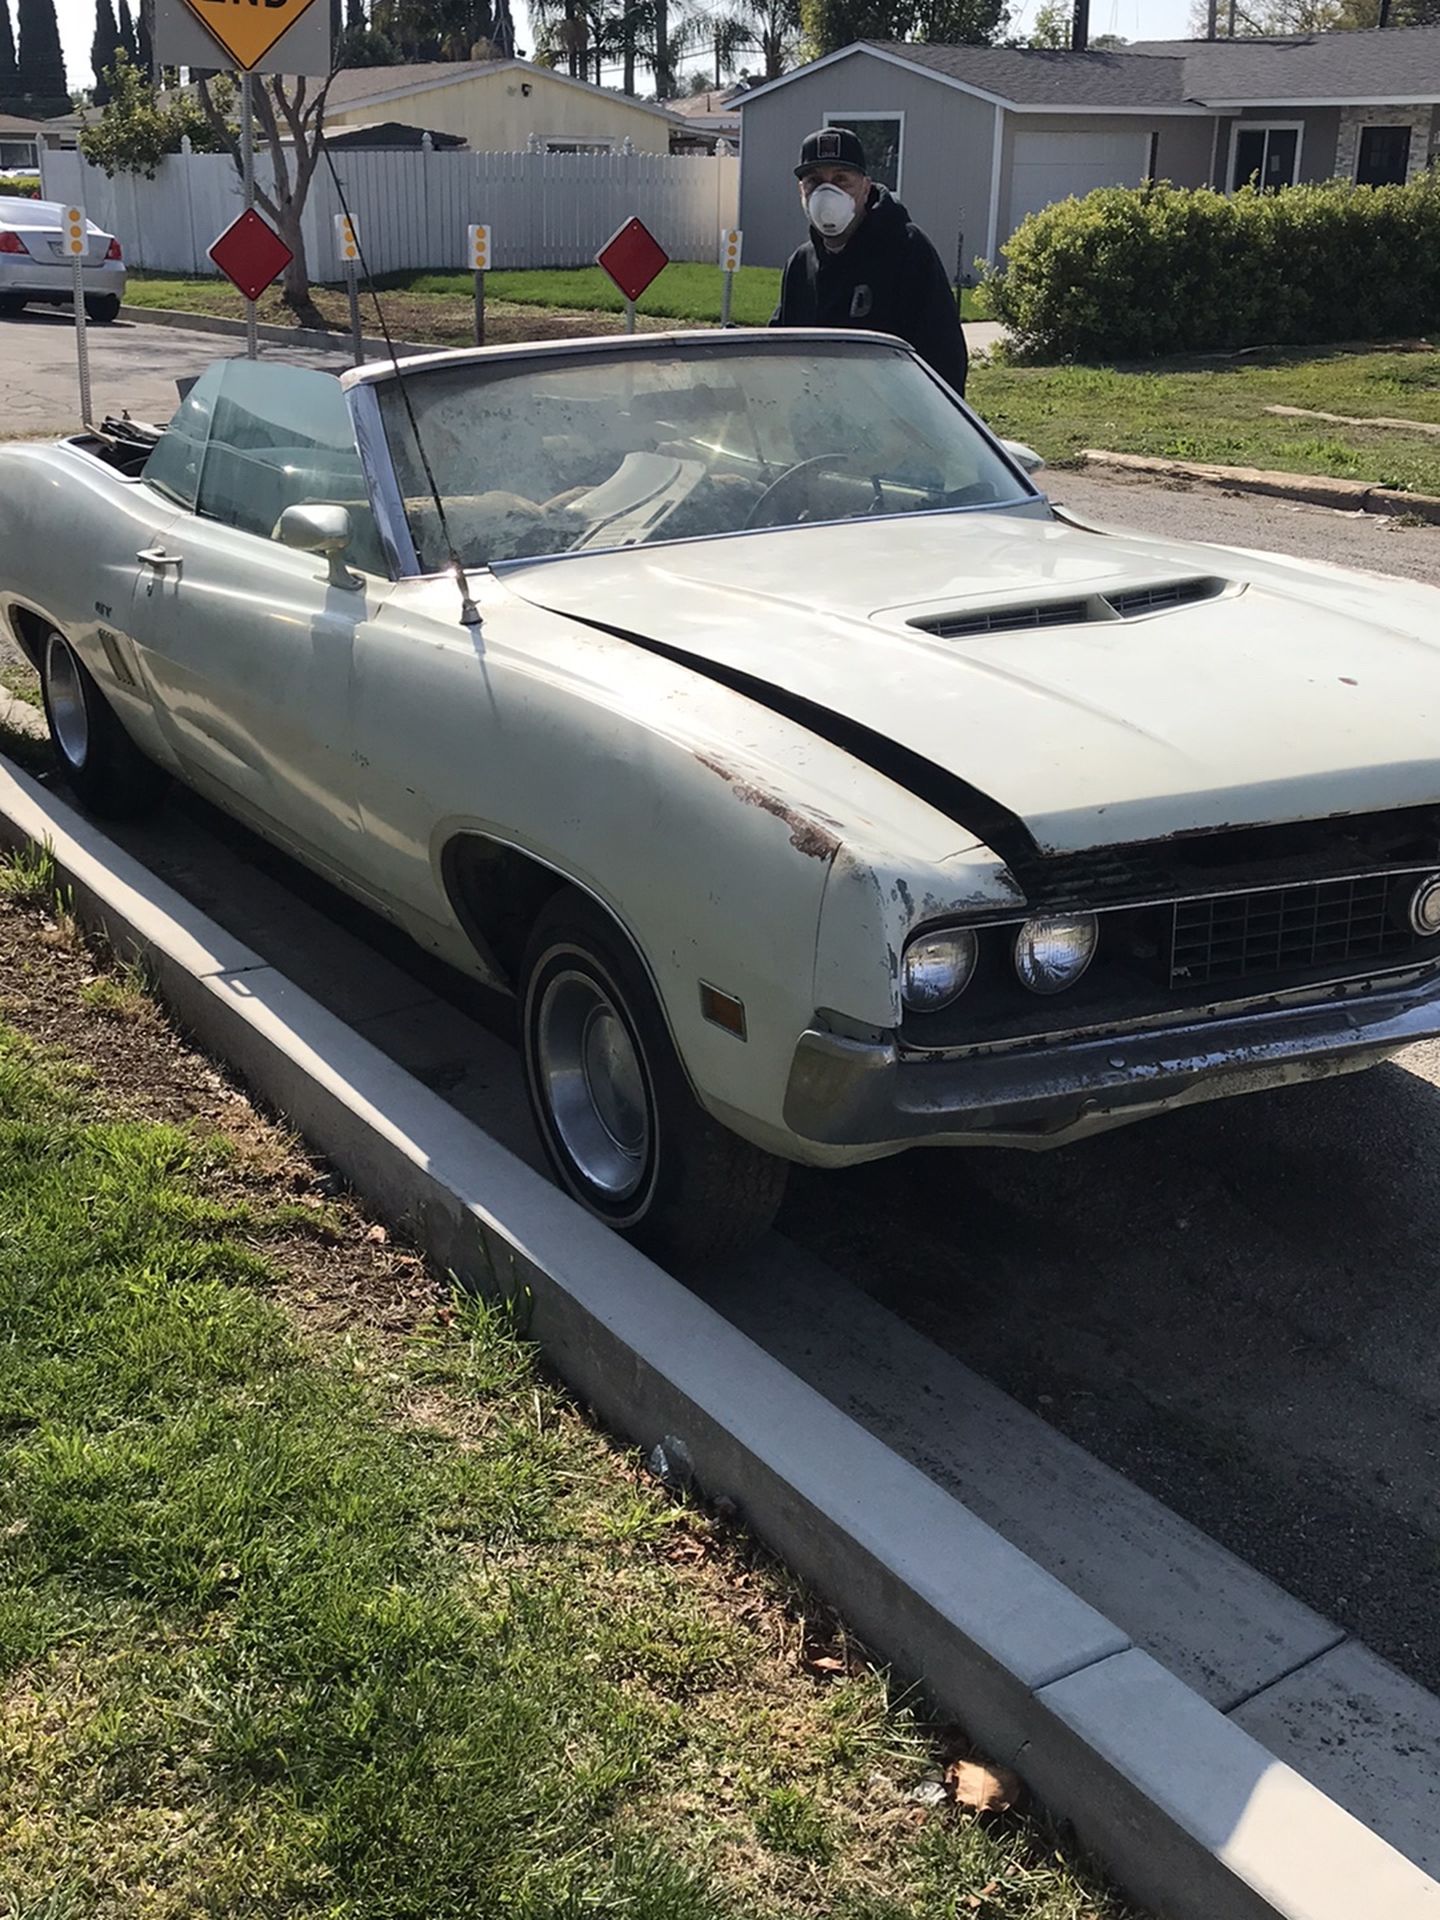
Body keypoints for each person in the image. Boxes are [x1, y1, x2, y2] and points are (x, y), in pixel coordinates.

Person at [769, 126, 969, 398]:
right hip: (816, 429)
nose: (826, 193)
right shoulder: (800, 265)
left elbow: (945, 362)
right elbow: (777, 353)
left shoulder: (908, 251)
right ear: (801, 191)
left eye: (841, 180)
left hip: (889, 432)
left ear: (865, 187)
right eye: (814, 182)